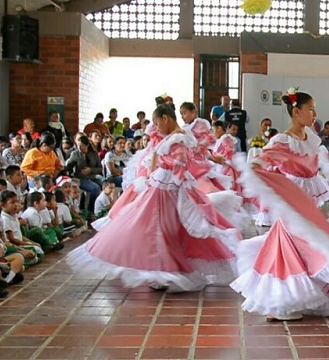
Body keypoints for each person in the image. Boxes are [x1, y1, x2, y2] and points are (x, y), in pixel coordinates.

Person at [67, 104, 240, 291]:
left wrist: (171, 171)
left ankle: (162, 270)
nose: (156, 128)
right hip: (163, 186)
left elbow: (181, 162)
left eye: (157, 123)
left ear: (166, 118)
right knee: (155, 226)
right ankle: (162, 270)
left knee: (153, 226)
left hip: (166, 187)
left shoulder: (178, 138)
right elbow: (194, 152)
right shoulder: (180, 136)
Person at [232, 90, 329, 322]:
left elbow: (320, 164)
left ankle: (293, 299)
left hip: (308, 199)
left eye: (314, 109)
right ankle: (282, 302)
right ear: (296, 112)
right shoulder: (282, 141)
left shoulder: (311, 138)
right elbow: (259, 161)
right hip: (292, 197)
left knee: (306, 245)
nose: (314, 114)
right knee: (292, 244)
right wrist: (267, 178)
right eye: (310, 109)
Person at [65, 135, 103, 212]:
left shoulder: (94, 154)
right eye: (78, 145)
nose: (79, 148)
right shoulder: (75, 154)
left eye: (82, 146)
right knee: (95, 188)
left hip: (92, 176)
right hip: (80, 178)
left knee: (105, 183)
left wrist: (91, 170)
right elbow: (67, 164)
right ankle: (91, 209)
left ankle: (102, 206)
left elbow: (100, 168)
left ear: (87, 145)